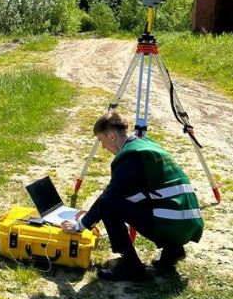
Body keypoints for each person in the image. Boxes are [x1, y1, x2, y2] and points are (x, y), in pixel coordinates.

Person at [61, 111, 203, 282]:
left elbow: (109, 199)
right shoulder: (145, 144)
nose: (103, 147)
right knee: (116, 200)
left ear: (112, 136)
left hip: (174, 225)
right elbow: (130, 195)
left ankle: (133, 267)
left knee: (107, 204)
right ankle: (173, 251)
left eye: (101, 141)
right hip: (188, 222)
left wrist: (79, 226)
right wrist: (91, 214)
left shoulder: (130, 156)